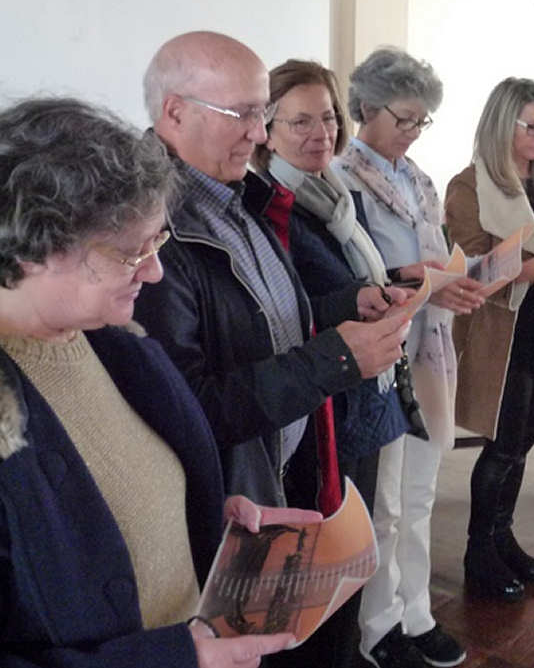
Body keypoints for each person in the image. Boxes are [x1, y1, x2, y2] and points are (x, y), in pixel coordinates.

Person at [0, 97, 308, 666]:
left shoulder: (108, 338)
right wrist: (170, 659)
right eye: (131, 253)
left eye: (157, 242)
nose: (155, 272)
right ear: (32, 249)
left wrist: (200, 516)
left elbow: (97, 513)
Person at [132, 33, 407, 544]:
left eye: (262, 113)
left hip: (279, 478)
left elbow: (265, 324)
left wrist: (345, 306)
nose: (259, 133)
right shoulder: (150, 231)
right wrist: (334, 361)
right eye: (241, 114)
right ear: (175, 112)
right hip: (228, 511)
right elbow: (188, 407)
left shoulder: (240, 198)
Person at [254, 58, 480, 668]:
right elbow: (297, 302)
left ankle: (405, 616)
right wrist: (375, 292)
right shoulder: (290, 198)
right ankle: (375, 630)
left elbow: (361, 273)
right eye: (301, 121)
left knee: (403, 502)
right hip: (339, 379)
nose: (320, 133)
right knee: (366, 516)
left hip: (391, 359)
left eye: (326, 118)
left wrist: (398, 282)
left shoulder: (334, 194)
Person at [333, 48, 481, 666]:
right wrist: (421, 280)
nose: (415, 131)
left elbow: (434, 256)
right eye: (405, 118)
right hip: (382, 354)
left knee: (420, 495)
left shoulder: (417, 178)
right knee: (384, 505)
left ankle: (417, 613)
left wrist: (459, 277)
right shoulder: (342, 179)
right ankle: (379, 626)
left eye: (423, 120)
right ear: (366, 107)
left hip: (428, 347)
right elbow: (351, 276)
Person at [444, 77, 534, 600]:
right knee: (503, 443)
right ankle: (479, 549)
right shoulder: (470, 185)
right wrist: (530, 269)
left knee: (526, 437)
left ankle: (502, 537)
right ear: (502, 124)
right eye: (532, 126)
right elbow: (468, 267)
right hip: (502, 330)